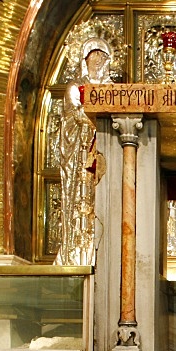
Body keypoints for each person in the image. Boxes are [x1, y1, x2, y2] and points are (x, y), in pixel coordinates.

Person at [54, 37, 111, 265]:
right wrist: (96, 122)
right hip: (81, 155)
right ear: (85, 59)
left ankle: (104, 250)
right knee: (81, 202)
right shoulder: (74, 88)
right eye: (93, 55)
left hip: (105, 151)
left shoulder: (112, 89)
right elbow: (75, 116)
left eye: (102, 56)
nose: (97, 60)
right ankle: (77, 253)